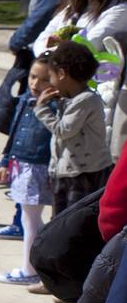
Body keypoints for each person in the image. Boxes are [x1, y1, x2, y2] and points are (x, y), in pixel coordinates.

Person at [0, 57, 54, 285]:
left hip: (39, 166)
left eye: (45, 79)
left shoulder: (53, 105)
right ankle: (34, 266)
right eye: (33, 77)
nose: (36, 83)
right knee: (30, 219)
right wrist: (5, 161)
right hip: (21, 163)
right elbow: (15, 132)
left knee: (30, 219)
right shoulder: (26, 100)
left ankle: (29, 270)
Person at [35, 40, 113, 216]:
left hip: (83, 175)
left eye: (50, 77)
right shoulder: (70, 99)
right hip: (66, 173)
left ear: (62, 74)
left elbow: (63, 130)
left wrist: (41, 109)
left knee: (73, 222)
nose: (50, 83)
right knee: (60, 221)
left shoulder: (86, 100)